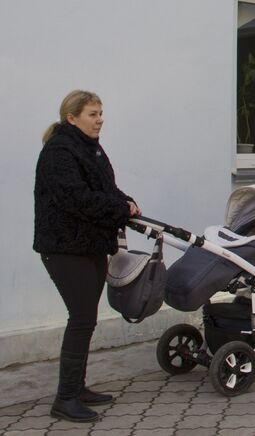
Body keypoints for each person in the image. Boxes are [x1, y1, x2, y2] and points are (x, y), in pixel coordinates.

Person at [34, 90, 141, 422]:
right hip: (64, 248)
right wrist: (117, 208)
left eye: (101, 113)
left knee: (85, 319)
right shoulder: (59, 152)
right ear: (72, 117)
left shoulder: (90, 149)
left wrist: (127, 202)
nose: (100, 120)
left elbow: (106, 188)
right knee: (81, 319)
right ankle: (64, 399)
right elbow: (76, 198)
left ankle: (77, 389)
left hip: (90, 246)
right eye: (93, 114)